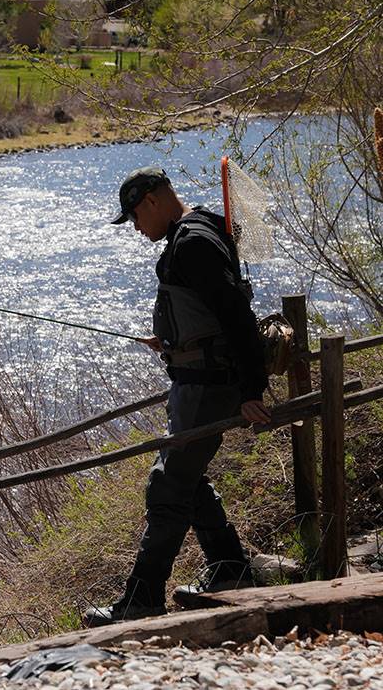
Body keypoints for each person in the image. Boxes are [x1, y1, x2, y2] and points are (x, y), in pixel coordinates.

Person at [83, 166, 272, 627]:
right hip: (197, 378)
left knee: (167, 485)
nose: (135, 227)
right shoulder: (202, 227)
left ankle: (143, 599)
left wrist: (252, 390)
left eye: (133, 217)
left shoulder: (191, 244)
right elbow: (209, 312)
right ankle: (229, 567)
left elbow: (236, 315)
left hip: (209, 386)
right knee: (188, 478)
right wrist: (173, 339)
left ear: (152, 200)